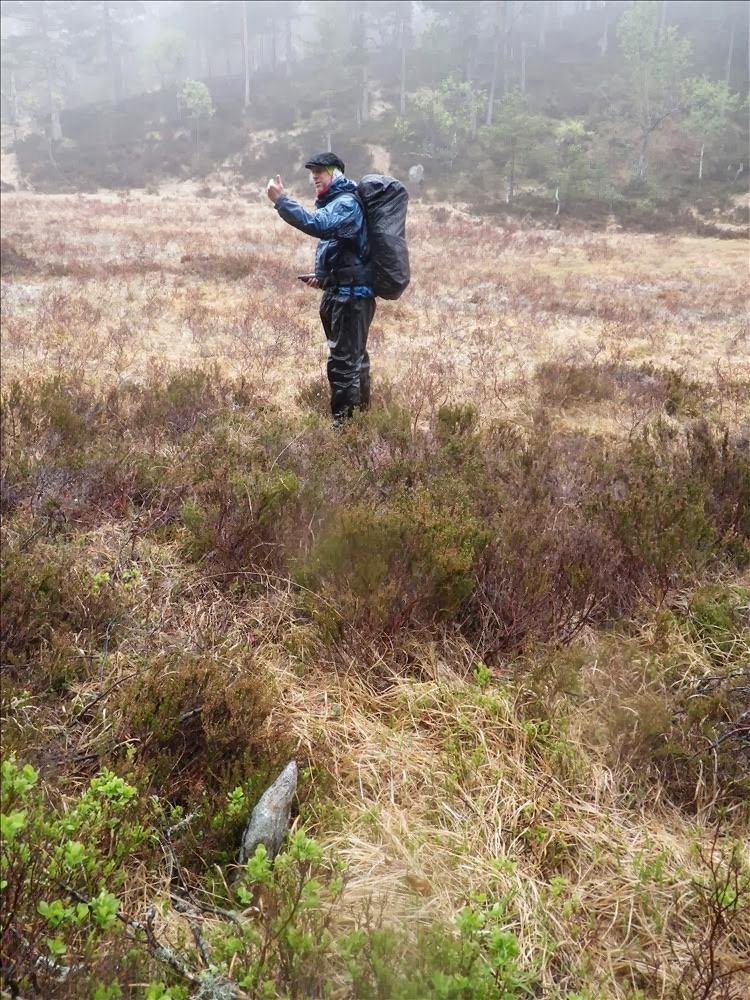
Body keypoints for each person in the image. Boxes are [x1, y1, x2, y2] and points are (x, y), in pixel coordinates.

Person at [266, 153, 375, 427]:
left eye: (321, 171)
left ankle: (345, 429)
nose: (315, 176)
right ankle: (361, 420)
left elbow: (317, 224)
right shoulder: (336, 203)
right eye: (312, 172)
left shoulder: (346, 204)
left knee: (343, 365)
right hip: (341, 293)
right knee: (352, 360)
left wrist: (281, 201)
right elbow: (346, 254)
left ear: (336, 173)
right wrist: (325, 278)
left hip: (351, 299)